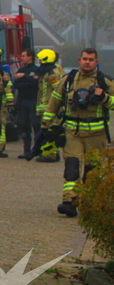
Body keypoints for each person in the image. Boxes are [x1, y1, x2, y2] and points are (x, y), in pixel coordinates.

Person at [41, 48, 114, 217]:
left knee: (92, 170)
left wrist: (104, 97)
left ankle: (89, 203)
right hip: (72, 132)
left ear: (96, 62)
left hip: (97, 135)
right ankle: (69, 202)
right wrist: (46, 126)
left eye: (91, 59)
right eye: (85, 59)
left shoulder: (106, 82)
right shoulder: (68, 80)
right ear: (79, 59)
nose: (87, 62)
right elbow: (54, 102)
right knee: (71, 166)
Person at [34, 48, 64, 163]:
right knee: (49, 130)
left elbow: (58, 90)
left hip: (49, 107)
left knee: (49, 131)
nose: (39, 62)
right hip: (46, 106)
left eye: (40, 60)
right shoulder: (49, 71)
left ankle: (51, 155)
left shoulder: (52, 74)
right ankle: (52, 153)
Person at [12, 48, 40, 159]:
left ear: (30, 57)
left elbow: (37, 83)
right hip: (22, 102)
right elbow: (16, 85)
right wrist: (28, 82)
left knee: (36, 126)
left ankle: (37, 150)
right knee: (23, 126)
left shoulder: (37, 70)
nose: (21, 58)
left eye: (24, 56)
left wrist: (24, 78)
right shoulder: (20, 70)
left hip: (34, 101)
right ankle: (26, 151)